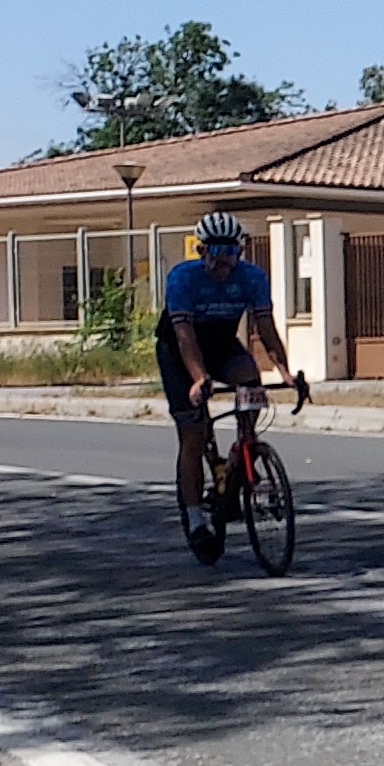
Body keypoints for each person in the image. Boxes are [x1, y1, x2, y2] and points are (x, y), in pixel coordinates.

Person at [160, 211, 301, 560]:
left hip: (222, 344)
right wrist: (199, 378)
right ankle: (195, 520)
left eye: (231, 251)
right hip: (180, 350)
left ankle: (241, 460)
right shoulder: (183, 278)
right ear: (201, 250)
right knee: (193, 436)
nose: (224, 260)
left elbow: (266, 329)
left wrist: (285, 373)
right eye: (217, 251)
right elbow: (184, 337)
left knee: (250, 381)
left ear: (241, 250)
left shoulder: (251, 277)